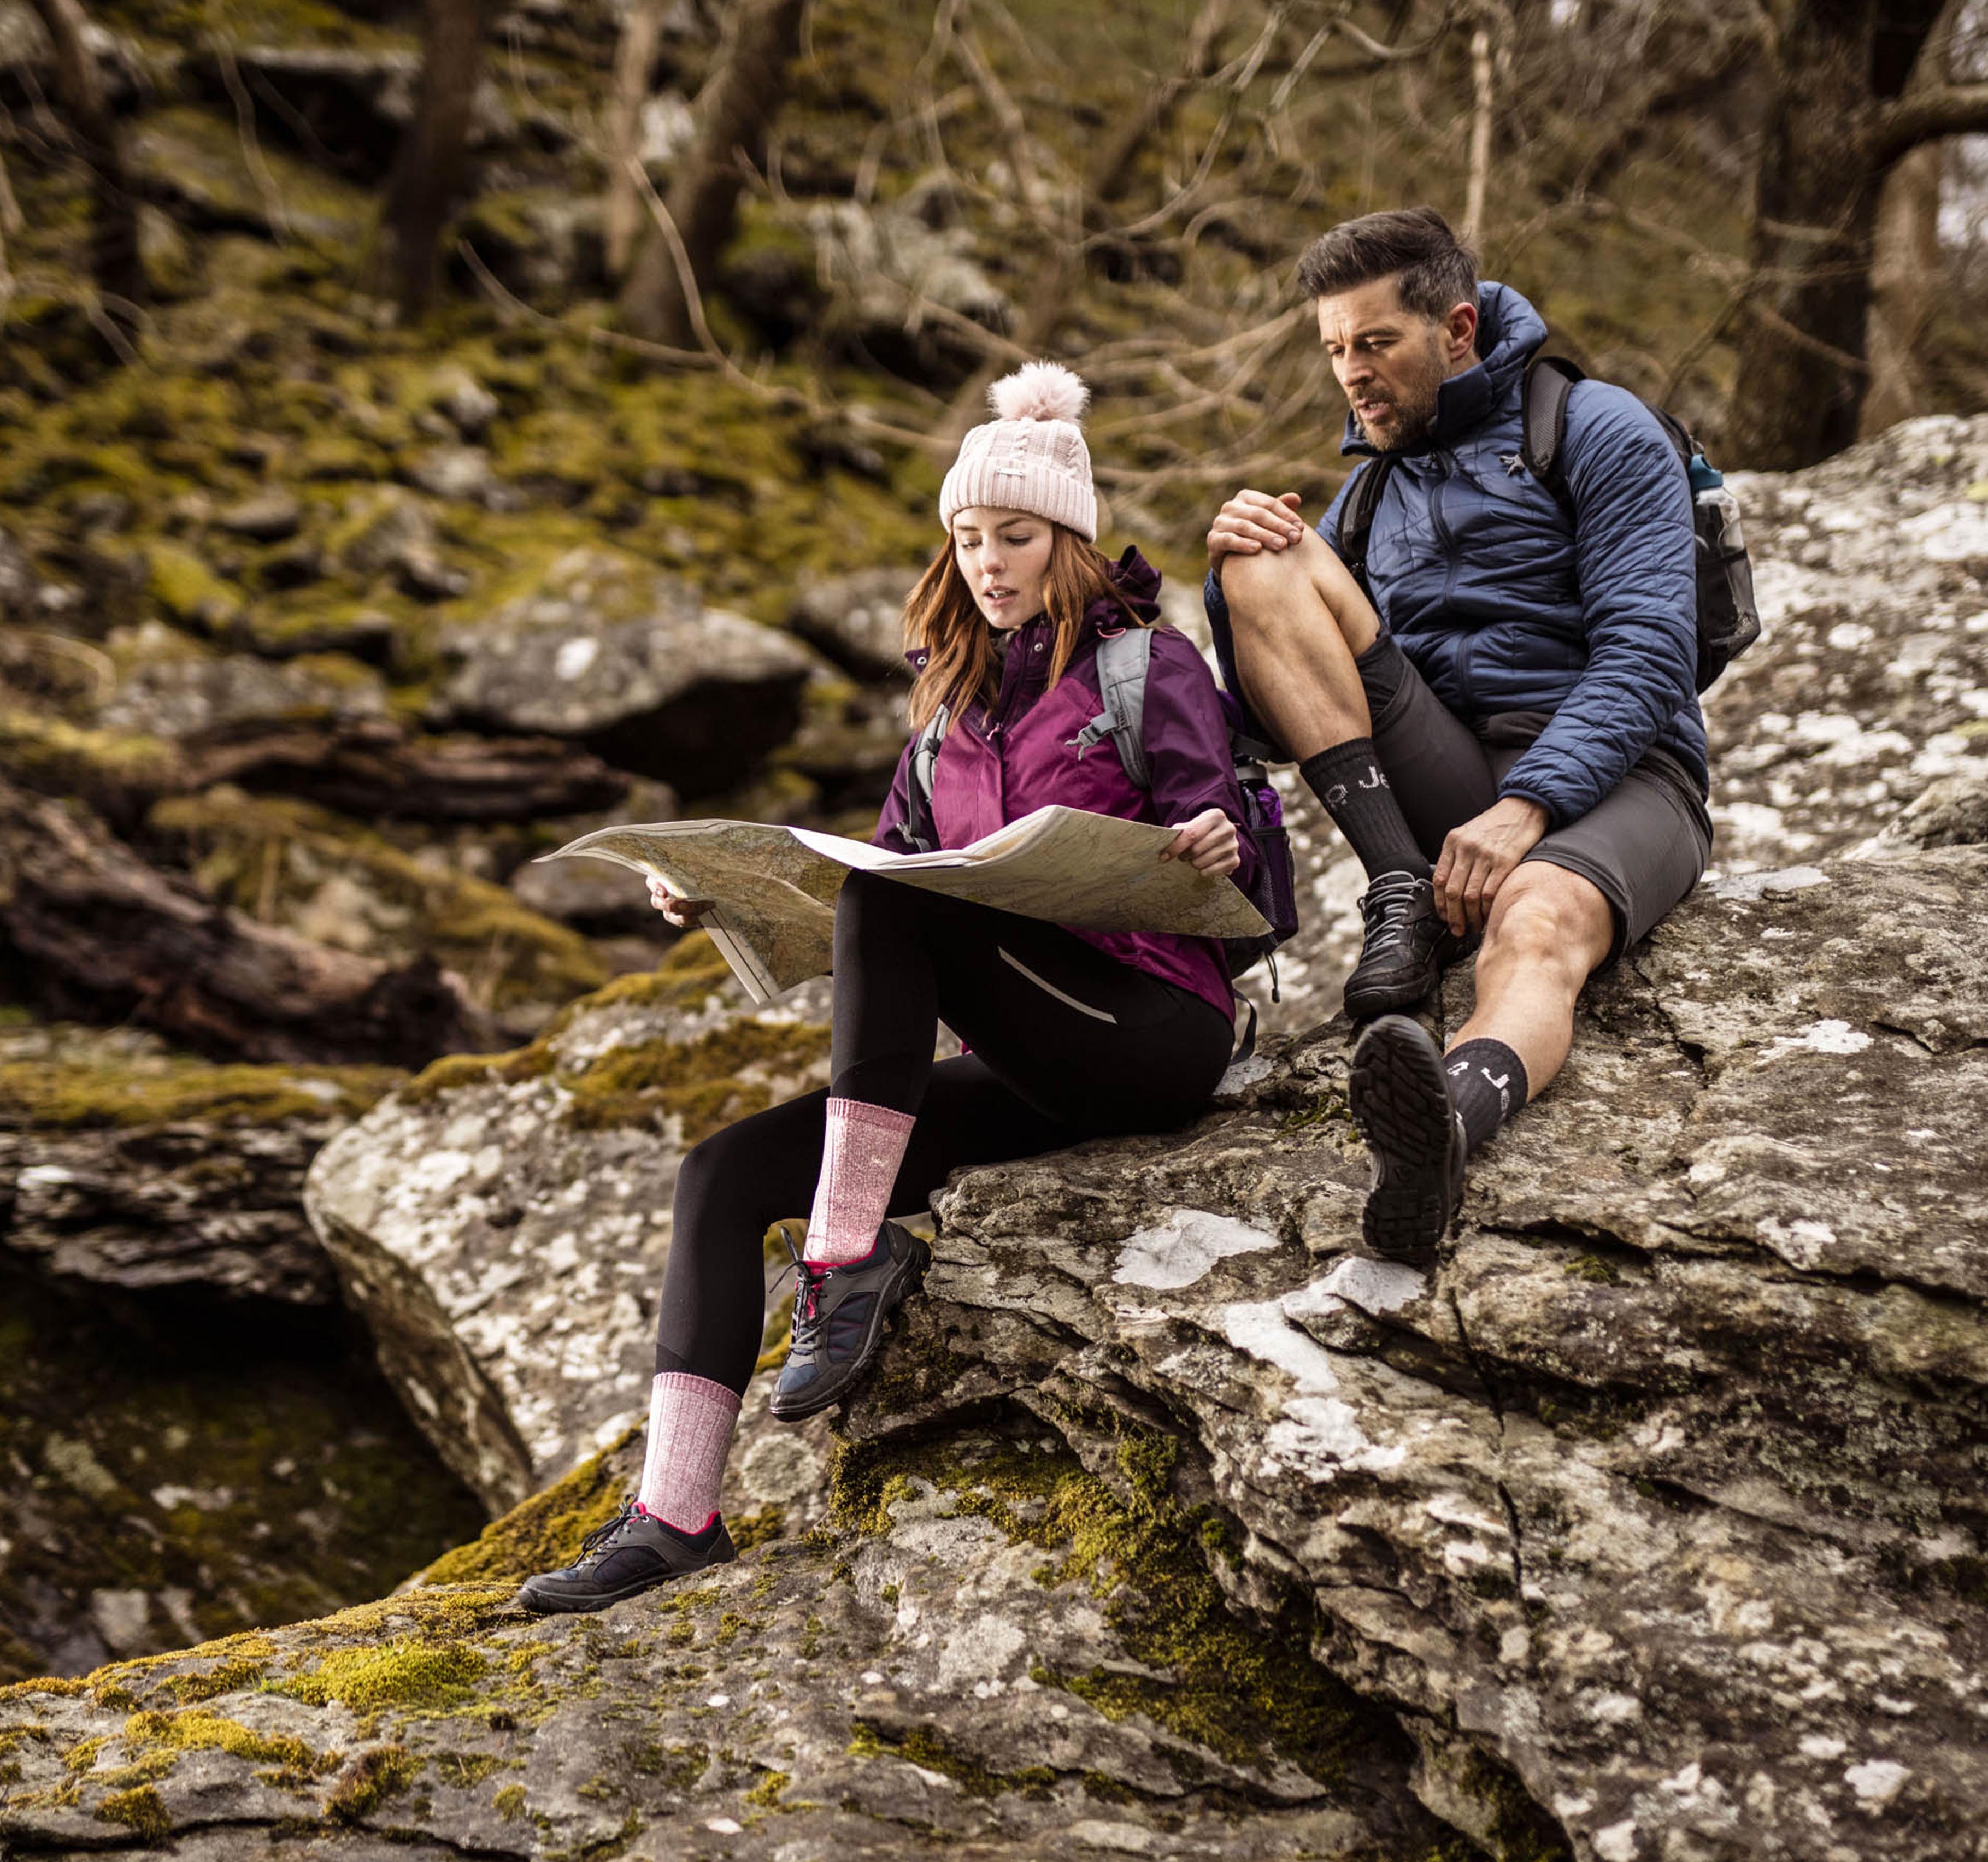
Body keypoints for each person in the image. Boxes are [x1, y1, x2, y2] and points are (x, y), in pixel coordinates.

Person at [519, 361, 1261, 1613]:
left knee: (902, 892)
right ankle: (675, 1514)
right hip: (1030, 1066)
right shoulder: (945, 721)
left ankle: (843, 1254)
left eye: (1014, 536)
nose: (987, 561)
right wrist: (719, 897)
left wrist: (1215, 832)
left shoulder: (1147, 669)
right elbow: (865, 895)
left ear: (1068, 540)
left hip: (1152, 1033)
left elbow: (1228, 831)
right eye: (967, 538)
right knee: (721, 1171)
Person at [1203, 207, 1709, 1264]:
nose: (1350, 373)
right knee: (1263, 554)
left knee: (1537, 917)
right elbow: (1275, 716)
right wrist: (1227, 590)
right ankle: (1403, 886)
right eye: (1335, 350)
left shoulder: (1597, 428)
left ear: (1459, 328)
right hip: (1443, 779)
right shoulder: (1365, 495)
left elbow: (1650, 653)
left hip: (1621, 777)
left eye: (1375, 343)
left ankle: (1443, 1128)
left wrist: (1526, 811)